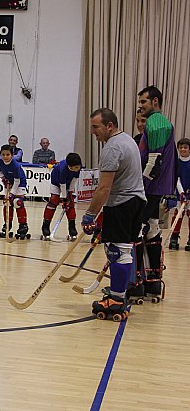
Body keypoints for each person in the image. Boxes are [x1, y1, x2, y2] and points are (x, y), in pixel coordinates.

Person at [81, 108, 146, 321]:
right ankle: (119, 293)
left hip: (121, 203)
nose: (93, 132)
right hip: (136, 201)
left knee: (116, 251)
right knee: (125, 250)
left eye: (96, 127)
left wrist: (90, 215)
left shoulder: (112, 148)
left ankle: (116, 299)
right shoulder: (128, 140)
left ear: (109, 125)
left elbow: (104, 189)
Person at [135, 85, 176, 301]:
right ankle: (152, 283)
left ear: (155, 102)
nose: (140, 106)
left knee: (136, 230)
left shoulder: (157, 122)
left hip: (150, 188)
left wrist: (140, 187)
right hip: (154, 188)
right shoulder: (157, 123)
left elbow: (155, 161)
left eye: (143, 102)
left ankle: (137, 282)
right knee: (151, 228)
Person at [40, 153, 82, 241]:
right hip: (56, 183)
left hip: (68, 184)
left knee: (70, 204)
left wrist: (69, 195)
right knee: (53, 201)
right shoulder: (63, 169)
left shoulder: (77, 167)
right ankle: (45, 227)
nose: (78, 169)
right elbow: (62, 184)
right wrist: (64, 198)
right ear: (70, 167)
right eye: (76, 168)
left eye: (79, 167)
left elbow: (74, 181)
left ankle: (72, 229)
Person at [0, 144, 30, 239]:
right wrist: (3, 178)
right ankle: (7, 224)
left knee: (17, 202)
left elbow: (17, 181)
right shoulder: (0, 162)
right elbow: (0, 171)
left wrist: (12, 194)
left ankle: (23, 225)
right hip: (9, 182)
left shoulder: (15, 165)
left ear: (12, 155)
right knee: (7, 203)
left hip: (19, 183)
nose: (5, 157)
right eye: (3, 154)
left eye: (8, 154)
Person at [168, 138, 190, 251]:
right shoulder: (176, 163)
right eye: (181, 147)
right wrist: (181, 192)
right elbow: (177, 179)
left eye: (185, 147)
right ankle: (174, 238)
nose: (183, 149)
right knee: (178, 215)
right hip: (179, 194)